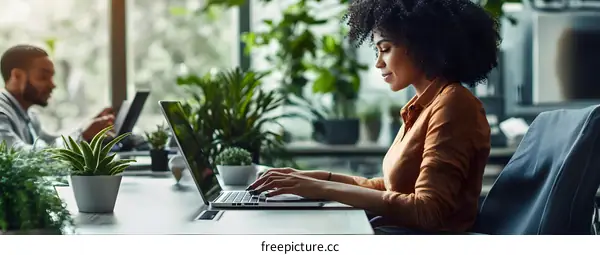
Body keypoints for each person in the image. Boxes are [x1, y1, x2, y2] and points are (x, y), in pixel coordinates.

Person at [247, 0, 499, 233]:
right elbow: (392, 189)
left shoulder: (454, 104)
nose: (378, 62)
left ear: (422, 46)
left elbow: (428, 210)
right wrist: (312, 179)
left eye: (386, 49)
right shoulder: (423, 107)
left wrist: (323, 188)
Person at [0, 44, 115, 150]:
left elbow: (51, 144)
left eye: (51, 77)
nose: (53, 85)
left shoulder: (30, 115)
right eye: (43, 77)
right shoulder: (2, 113)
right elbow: (17, 156)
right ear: (17, 76)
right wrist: (82, 136)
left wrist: (86, 129)